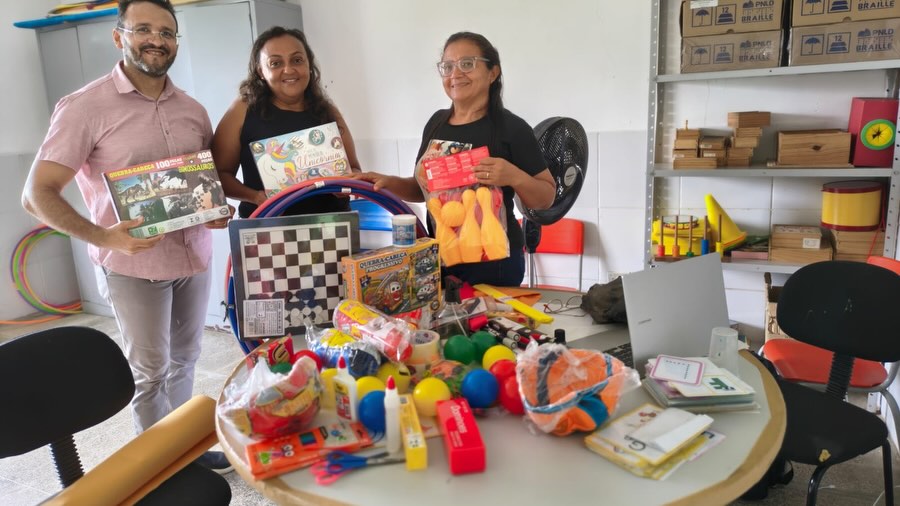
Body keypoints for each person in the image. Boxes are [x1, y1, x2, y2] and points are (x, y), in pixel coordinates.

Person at [21, 0, 234, 474]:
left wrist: (214, 212)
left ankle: (185, 450)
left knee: (186, 360)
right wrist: (105, 237)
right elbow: (36, 195)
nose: (156, 39)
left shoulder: (193, 110)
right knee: (151, 373)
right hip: (133, 268)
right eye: (144, 29)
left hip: (193, 259)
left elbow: (198, 185)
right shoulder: (84, 107)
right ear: (119, 36)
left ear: (176, 42)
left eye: (167, 32)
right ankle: (159, 468)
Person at [356, 32, 556, 286]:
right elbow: (424, 190)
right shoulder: (436, 123)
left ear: (493, 73)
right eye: (448, 66)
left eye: (467, 64)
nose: (455, 74)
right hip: (442, 256)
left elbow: (546, 198)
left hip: (494, 262)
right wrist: (387, 182)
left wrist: (513, 176)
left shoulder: (512, 128)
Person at [212, 27, 362, 219]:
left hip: (332, 225)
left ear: (309, 64)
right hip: (267, 228)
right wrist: (256, 197)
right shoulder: (242, 110)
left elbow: (354, 169)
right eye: (275, 63)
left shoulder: (327, 110)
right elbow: (218, 176)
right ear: (261, 71)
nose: (289, 70)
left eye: (297, 60)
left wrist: (347, 184)